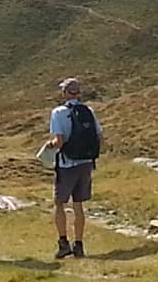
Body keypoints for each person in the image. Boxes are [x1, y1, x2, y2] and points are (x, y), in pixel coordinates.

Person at [46, 77, 104, 260]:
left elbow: (59, 141)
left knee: (60, 203)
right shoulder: (88, 111)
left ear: (65, 93)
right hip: (85, 163)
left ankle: (63, 243)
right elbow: (99, 137)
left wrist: (49, 145)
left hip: (67, 163)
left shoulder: (58, 112)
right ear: (79, 93)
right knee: (78, 205)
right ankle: (79, 245)